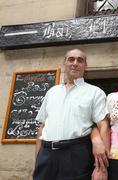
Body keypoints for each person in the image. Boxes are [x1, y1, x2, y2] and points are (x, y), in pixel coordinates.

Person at [33, 48, 108, 180]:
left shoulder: (95, 92)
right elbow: (42, 127)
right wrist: (37, 161)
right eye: (71, 59)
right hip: (46, 155)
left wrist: (101, 168)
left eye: (80, 60)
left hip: (75, 155)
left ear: (85, 66)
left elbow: (103, 126)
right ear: (64, 63)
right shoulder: (52, 92)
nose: (75, 63)